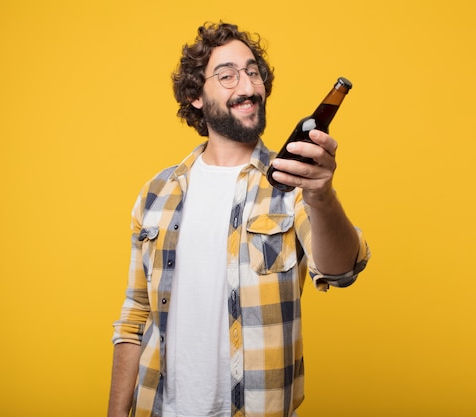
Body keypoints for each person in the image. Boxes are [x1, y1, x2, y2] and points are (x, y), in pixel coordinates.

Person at [108, 21, 370, 417]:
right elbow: (134, 316)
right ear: (196, 95)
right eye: (227, 75)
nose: (247, 87)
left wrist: (323, 196)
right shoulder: (157, 193)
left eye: (252, 73)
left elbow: (341, 271)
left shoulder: (292, 185)